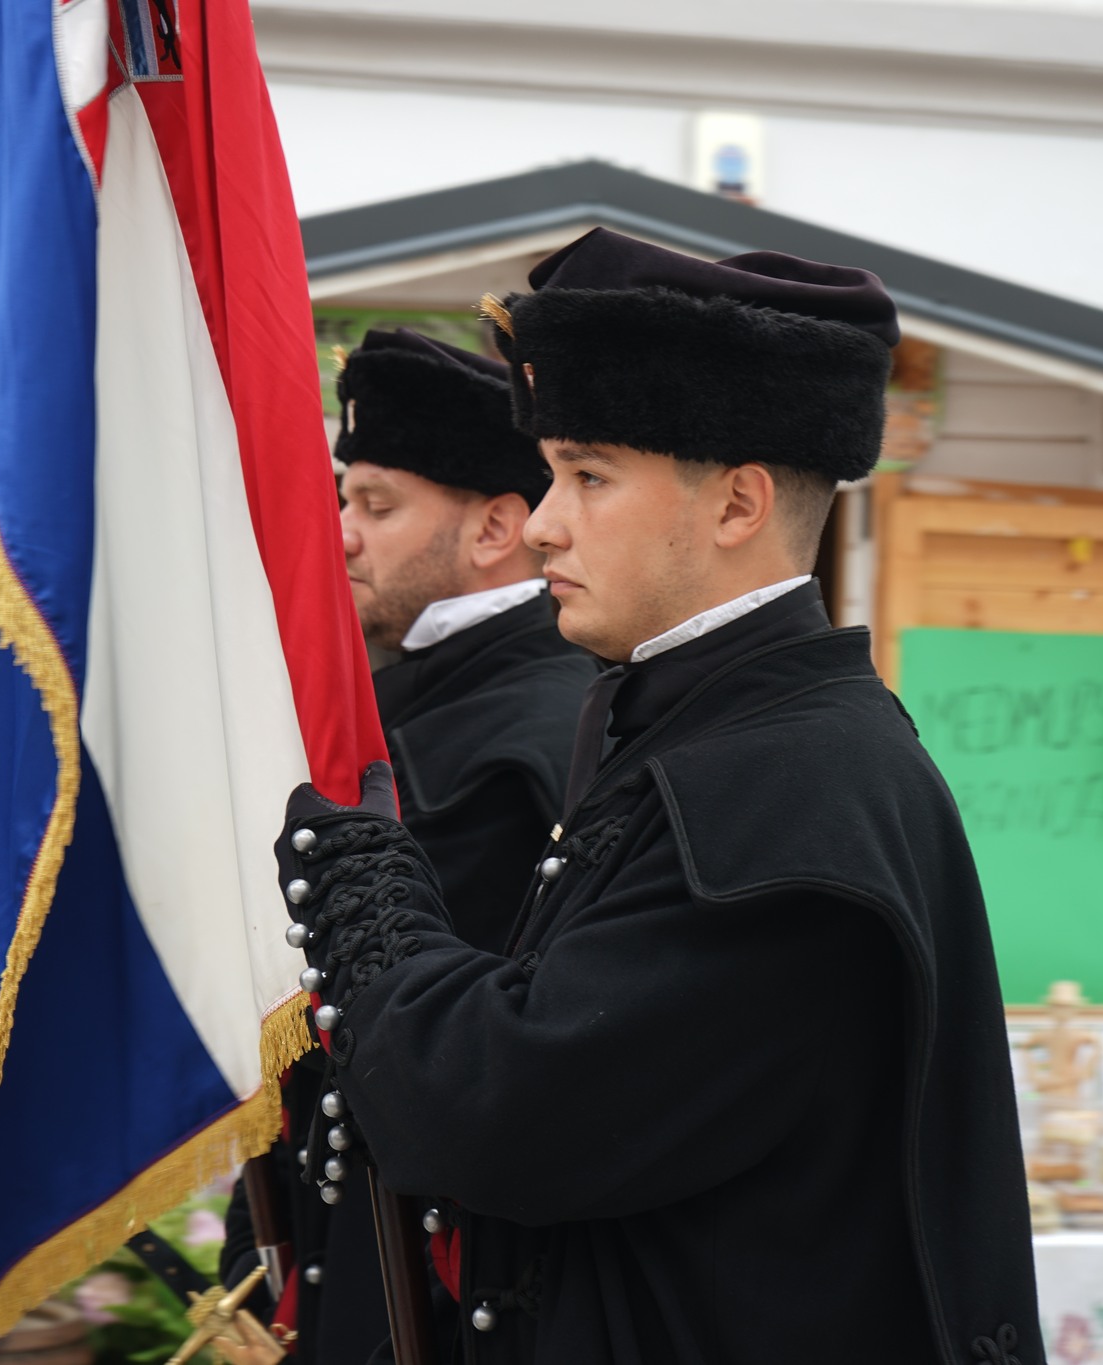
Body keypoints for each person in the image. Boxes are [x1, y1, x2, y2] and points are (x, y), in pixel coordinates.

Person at [272, 230, 1045, 1365]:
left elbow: (504, 1116)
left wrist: (376, 899)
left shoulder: (784, 784)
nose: (541, 522)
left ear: (735, 504)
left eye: (586, 476)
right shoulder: (711, 730)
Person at [222, 327, 596, 1364]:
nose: (341, 533)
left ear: (493, 529)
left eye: (376, 505)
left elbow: (432, 1066)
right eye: (345, 500)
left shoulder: (531, 735)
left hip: (430, 1294)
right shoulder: (413, 703)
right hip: (345, 1255)